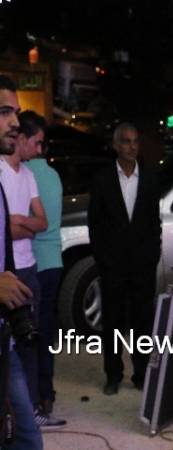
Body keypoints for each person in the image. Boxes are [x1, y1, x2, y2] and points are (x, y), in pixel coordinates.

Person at [0, 106, 67, 430]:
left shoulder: (28, 176)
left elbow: (43, 223)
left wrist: (18, 222)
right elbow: (7, 231)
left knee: (30, 342)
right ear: (22, 139)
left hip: (30, 269)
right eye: (37, 142)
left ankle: (31, 411)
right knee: (10, 348)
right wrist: (17, 225)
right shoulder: (1, 171)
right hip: (7, 272)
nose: (40, 150)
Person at [88, 123, 162, 395]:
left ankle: (141, 374)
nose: (131, 146)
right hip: (113, 267)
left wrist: (152, 255)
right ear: (116, 145)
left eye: (135, 141)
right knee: (113, 323)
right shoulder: (102, 179)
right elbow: (95, 224)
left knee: (143, 322)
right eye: (126, 141)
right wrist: (103, 260)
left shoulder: (150, 178)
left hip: (143, 266)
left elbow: (154, 222)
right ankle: (113, 374)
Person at [0, 74, 43, 450]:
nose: (15, 122)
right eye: (4, 112)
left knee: (27, 438)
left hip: (4, 338)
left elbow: (38, 223)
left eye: (15, 112)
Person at [23, 112, 63, 415]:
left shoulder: (23, 175)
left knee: (28, 335)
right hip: (55, 262)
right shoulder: (53, 176)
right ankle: (47, 394)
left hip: (33, 261)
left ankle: (32, 398)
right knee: (46, 331)